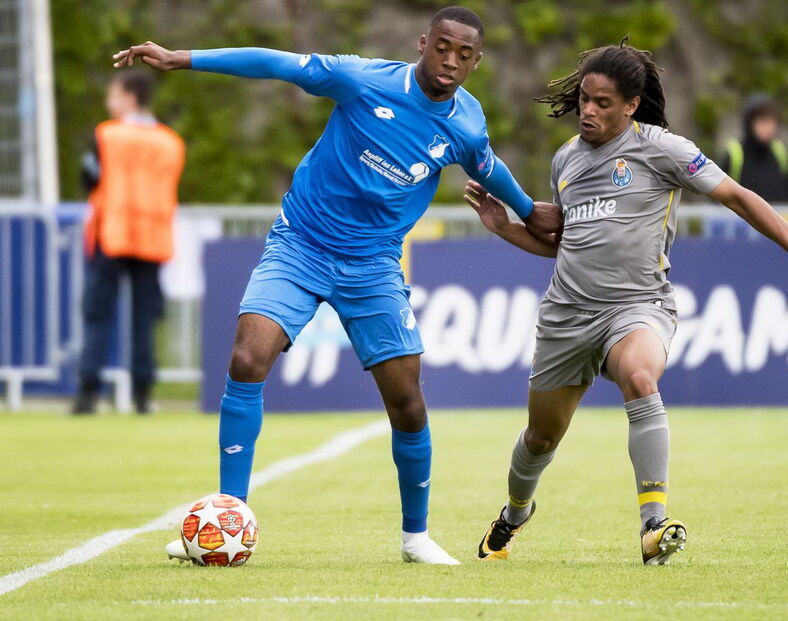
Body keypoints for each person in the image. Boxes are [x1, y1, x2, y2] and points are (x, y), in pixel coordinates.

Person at [112, 6, 561, 565]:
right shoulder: (362, 78)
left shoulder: (466, 122)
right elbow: (277, 64)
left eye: (463, 54)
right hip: (301, 244)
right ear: (423, 42)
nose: (450, 61)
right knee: (248, 358)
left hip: (372, 266)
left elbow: (485, 164)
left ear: (476, 62)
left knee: (408, 403)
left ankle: (415, 538)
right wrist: (184, 58)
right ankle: (227, 517)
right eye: (441, 46)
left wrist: (525, 208)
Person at [465, 40, 788, 565]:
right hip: (566, 315)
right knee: (539, 437)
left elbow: (740, 197)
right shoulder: (566, 160)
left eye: (603, 102)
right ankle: (514, 514)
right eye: (585, 98)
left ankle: (654, 526)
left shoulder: (665, 150)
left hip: (638, 306)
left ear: (630, 105)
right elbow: (564, 242)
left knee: (641, 378)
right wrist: (504, 228)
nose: (588, 110)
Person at [72, 71, 185, 415]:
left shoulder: (107, 135)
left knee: (97, 315)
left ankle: (88, 394)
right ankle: (143, 396)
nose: (110, 103)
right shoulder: (171, 142)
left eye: (114, 96)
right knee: (144, 321)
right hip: (153, 238)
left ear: (129, 97)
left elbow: (89, 178)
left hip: (114, 233)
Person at [720, 93, 788, 203]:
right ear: (749, 123)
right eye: (762, 121)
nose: (768, 127)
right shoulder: (734, 155)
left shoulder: (782, 153)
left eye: (771, 121)